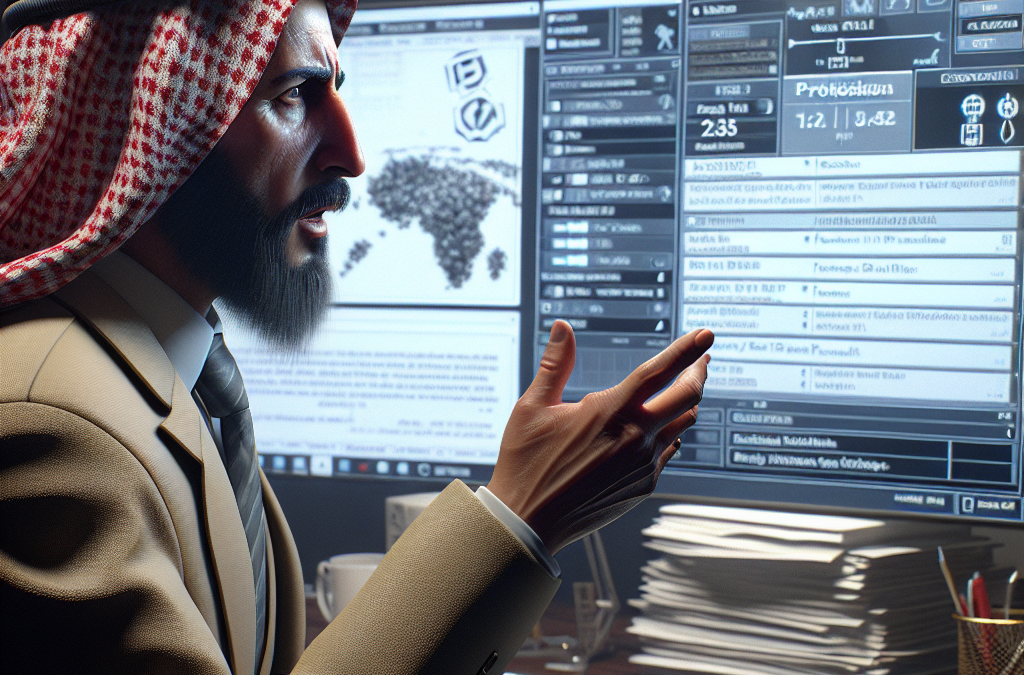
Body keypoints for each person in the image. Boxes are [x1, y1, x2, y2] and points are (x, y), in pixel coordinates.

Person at [0, 0, 713, 673]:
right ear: (150, 123)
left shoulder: (164, 370)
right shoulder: (51, 424)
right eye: (292, 96)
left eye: (336, 90)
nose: (350, 153)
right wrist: (518, 512)